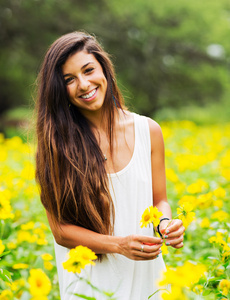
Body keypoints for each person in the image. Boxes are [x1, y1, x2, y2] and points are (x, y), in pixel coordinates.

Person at [35, 31, 185, 300]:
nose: (83, 84)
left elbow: (159, 200)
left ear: (104, 68)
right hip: (90, 288)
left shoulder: (148, 130)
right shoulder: (57, 145)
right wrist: (118, 245)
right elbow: (60, 230)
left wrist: (165, 224)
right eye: (69, 80)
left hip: (149, 283)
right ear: (60, 90)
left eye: (88, 70)